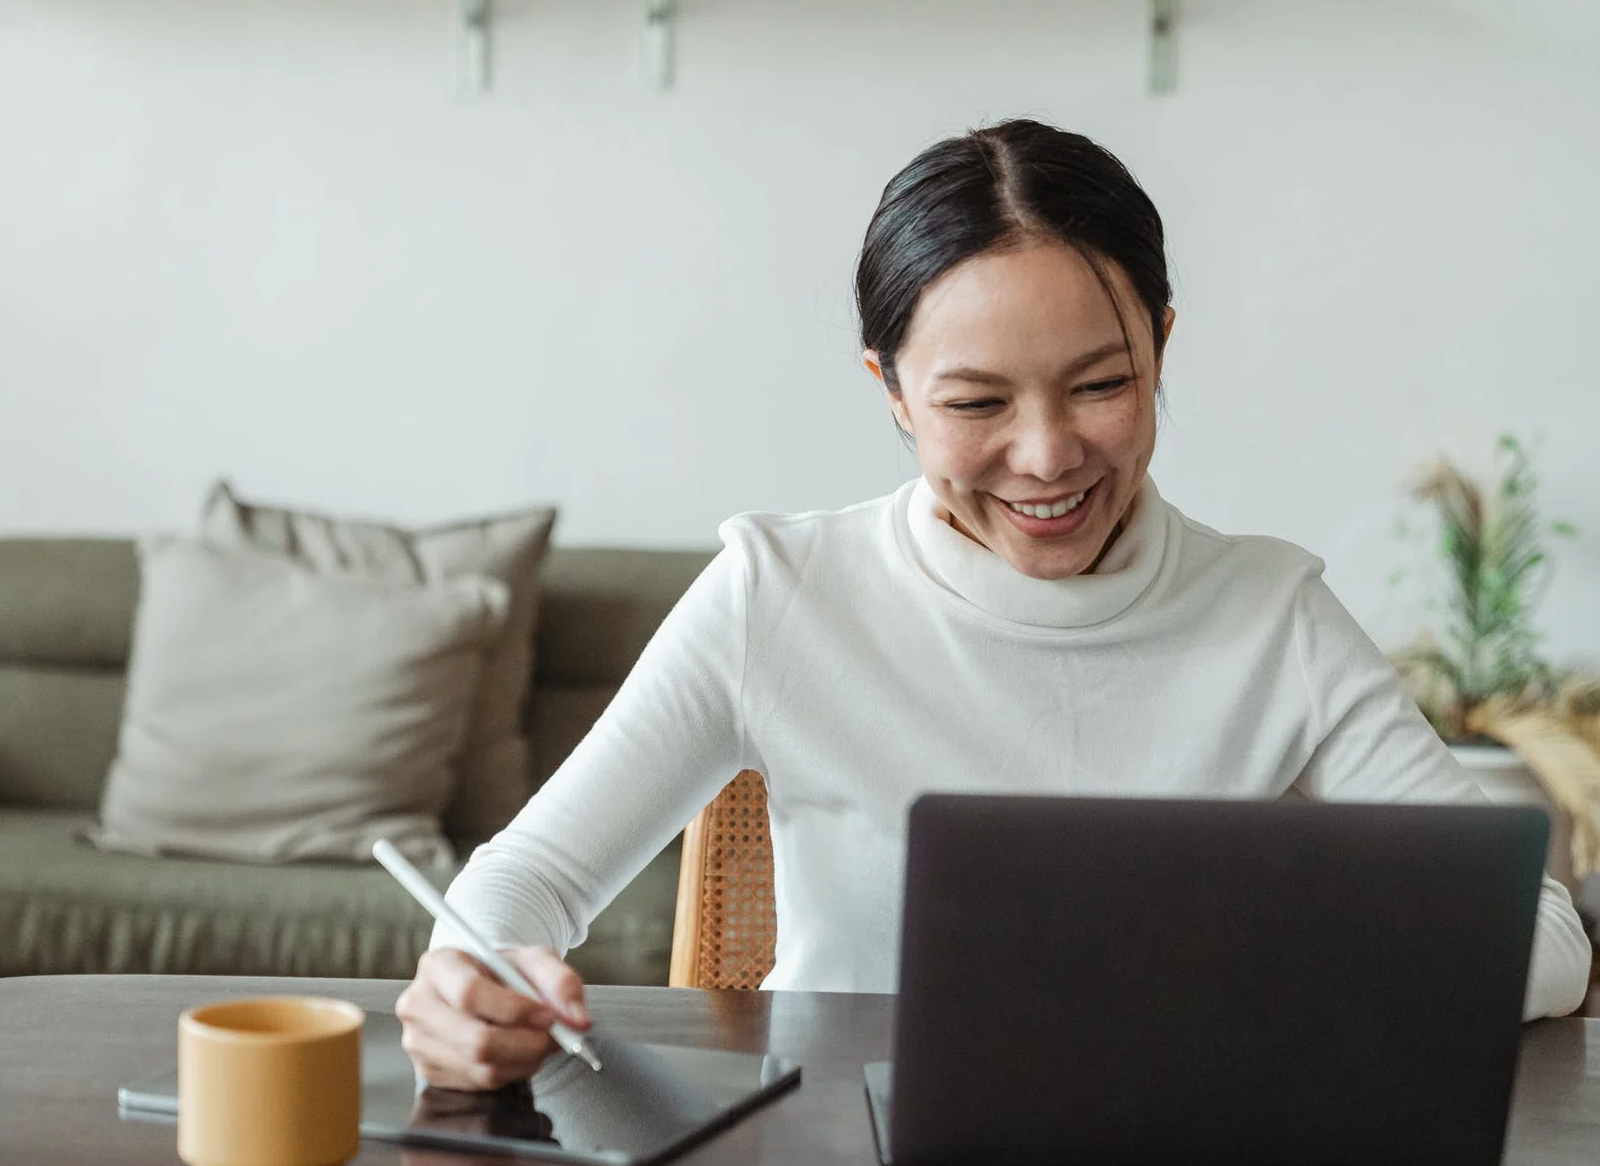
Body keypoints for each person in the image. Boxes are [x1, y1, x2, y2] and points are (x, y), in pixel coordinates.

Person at [396, 119, 1592, 1090]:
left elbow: (1542, 934)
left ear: (1161, 348)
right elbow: (526, 877)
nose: (1046, 455)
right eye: (974, 403)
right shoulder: (780, 593)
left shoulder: (1270, 615)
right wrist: (472, 973)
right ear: (893, 392)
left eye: (1103, 383)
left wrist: (1271, 961)